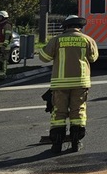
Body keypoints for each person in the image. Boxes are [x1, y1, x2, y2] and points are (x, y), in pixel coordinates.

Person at [38, 15, 99, 154]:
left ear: (65, 27)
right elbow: (94, 58)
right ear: (80, 27)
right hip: (80, 83)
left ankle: (57, 144)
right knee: (78, 113)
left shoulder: (56, 40)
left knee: (58, 114)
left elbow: (44, 57)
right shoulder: (87, 40)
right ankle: (76, 143)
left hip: (60, 83)